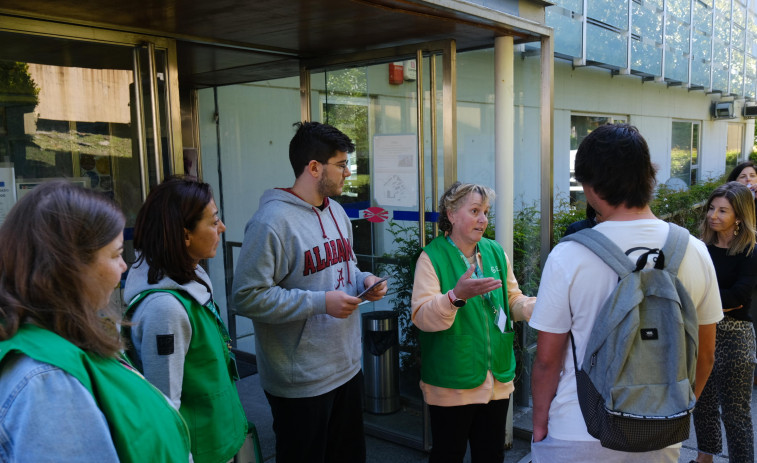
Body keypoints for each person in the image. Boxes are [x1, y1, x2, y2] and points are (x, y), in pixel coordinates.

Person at [528, 123, 722, 462]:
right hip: (661, 433)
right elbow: (704, 355)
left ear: (592, 187)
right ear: (649, 177)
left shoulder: (569, 255)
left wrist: (540, 423)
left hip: (579, 427)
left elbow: (547, 360)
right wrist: (675, 410)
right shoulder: (694, 251)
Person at [0, 181, 190, 462]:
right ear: (69, 268)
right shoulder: (47, 382)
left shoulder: (60, 339)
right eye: (115, 254)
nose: (124, 265)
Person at [232, 121, 388, 463]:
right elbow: (246, 296)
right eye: (342, 164)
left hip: (346, 368)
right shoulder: (270, 222)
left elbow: (342, 268)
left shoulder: (337, 212)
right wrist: (321, 303)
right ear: (314, 167)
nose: (348, 172)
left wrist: (363, 280)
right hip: (300, 382)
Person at [123, 176, 247, 463]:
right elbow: (166, 405)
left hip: (218, 441)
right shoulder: (164, 309)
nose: (222, 228)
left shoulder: (191, 277)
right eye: (213, 221)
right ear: (185, 235)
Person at [411, 182, 535, 463]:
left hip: (497, 380)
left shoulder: (494, 252)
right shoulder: (432, 257)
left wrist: (533, 308)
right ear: (452, 214)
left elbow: (511, 300)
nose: (483, 220)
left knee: (490, 455)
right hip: (452, 381)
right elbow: (421, 316)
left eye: (486, 212)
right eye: (475, 211)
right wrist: (455, 297)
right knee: (448, 455)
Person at [692, 181, 757, 463]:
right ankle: (704, 458)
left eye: (722, 210)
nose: (713, 215)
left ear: (739, 216)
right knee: (702, 405)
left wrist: (700, 300)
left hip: (735, 336)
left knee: (735, 412)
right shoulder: (699, 248)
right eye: (711, 208)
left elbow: (739, 296)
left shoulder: (751, 251)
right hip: (700, 333)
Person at [727, 160, 757, 386]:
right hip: (742, 269)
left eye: (753, 176)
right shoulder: (729, 206)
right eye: (743, 177)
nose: (749, 181)